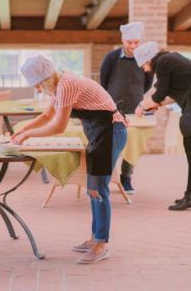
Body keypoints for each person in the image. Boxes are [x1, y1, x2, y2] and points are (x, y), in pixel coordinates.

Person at [12, 55, 127, 263]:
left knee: (98, 189)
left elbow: (58, 126)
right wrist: (21, 130)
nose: (38, 90)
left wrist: (28, 135)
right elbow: (47, 117)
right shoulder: (60, 85)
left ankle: (102, 244)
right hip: (98, 133)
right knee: (92, 188)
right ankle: (95, 238)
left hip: (111, 131)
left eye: (38, 85)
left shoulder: (67, 85)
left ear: (47, 78)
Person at [134, 41, 191, 211]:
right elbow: (169, 95)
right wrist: (154, 104)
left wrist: (142, 106)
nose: (145, 70)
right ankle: (189, 196)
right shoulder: (170, 60)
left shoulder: (164, 62)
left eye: (143, 65)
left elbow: (159, 95)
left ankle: (189, 197)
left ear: (149, 59)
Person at [100, 22, 153, 194]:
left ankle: (126, 177)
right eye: (129, 42)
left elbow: (147, 84)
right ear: (123, 40)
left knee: (134, 143)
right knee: (111, 144)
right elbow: (103, 82)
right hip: (113, 109)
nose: (133, 46)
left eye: (136, 42)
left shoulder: (144, 59)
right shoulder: (111, 57)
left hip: (135, 109)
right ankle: (107, 177)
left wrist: (137, 96)